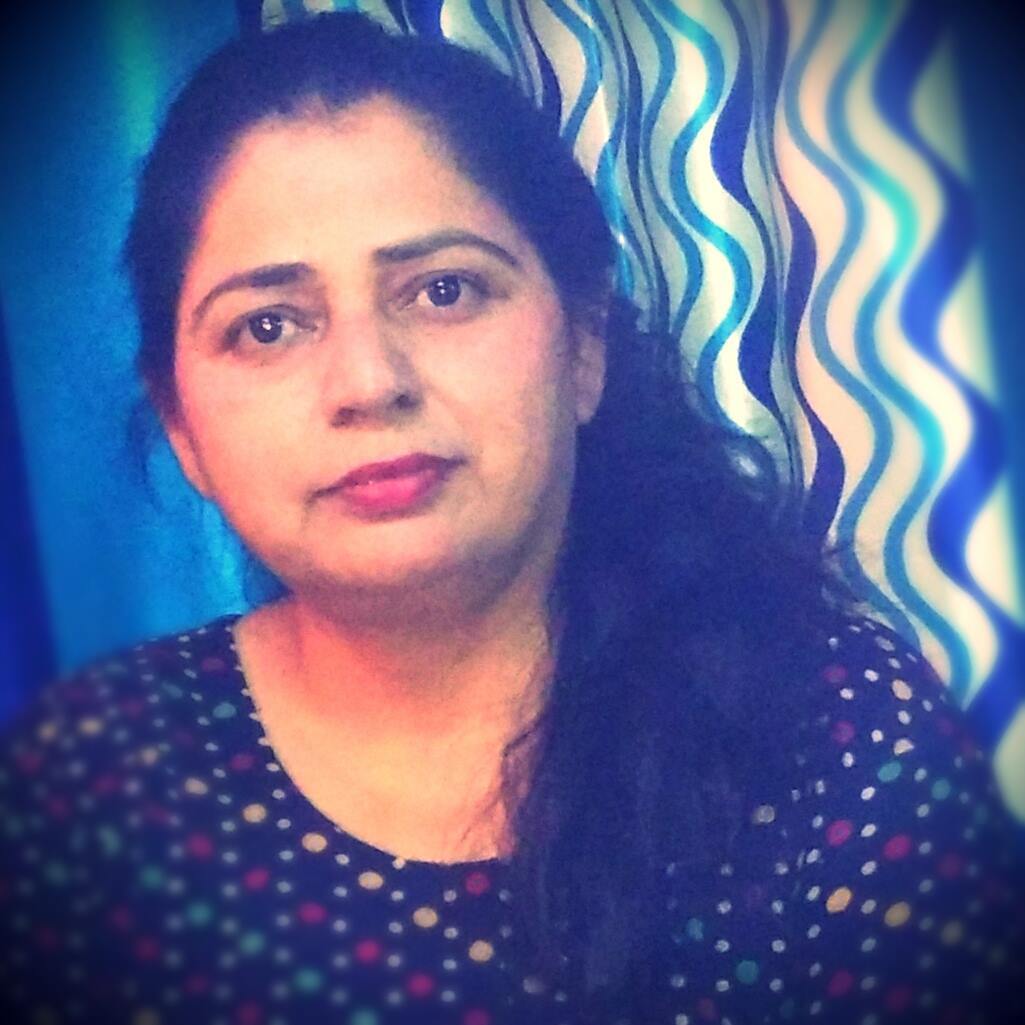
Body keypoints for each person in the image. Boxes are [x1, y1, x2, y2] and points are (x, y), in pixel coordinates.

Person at [0, 11, 1022, 1025]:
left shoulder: (832, 728)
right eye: (268, 325)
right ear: (182, 427)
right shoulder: (97, 777)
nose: (368, 381)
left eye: (443, 290)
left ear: (582, 344)